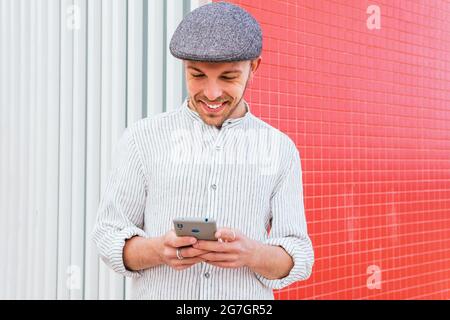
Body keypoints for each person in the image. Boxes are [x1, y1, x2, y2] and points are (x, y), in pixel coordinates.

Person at [92, 1, 314, 300]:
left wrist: (253, 254)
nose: (211, 93)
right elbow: (108, 237)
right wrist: (158, 250)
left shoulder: (280, 149)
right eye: (197, 75)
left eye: (228, 77)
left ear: (254, 68)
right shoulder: (141, 139)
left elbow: (299, 254)